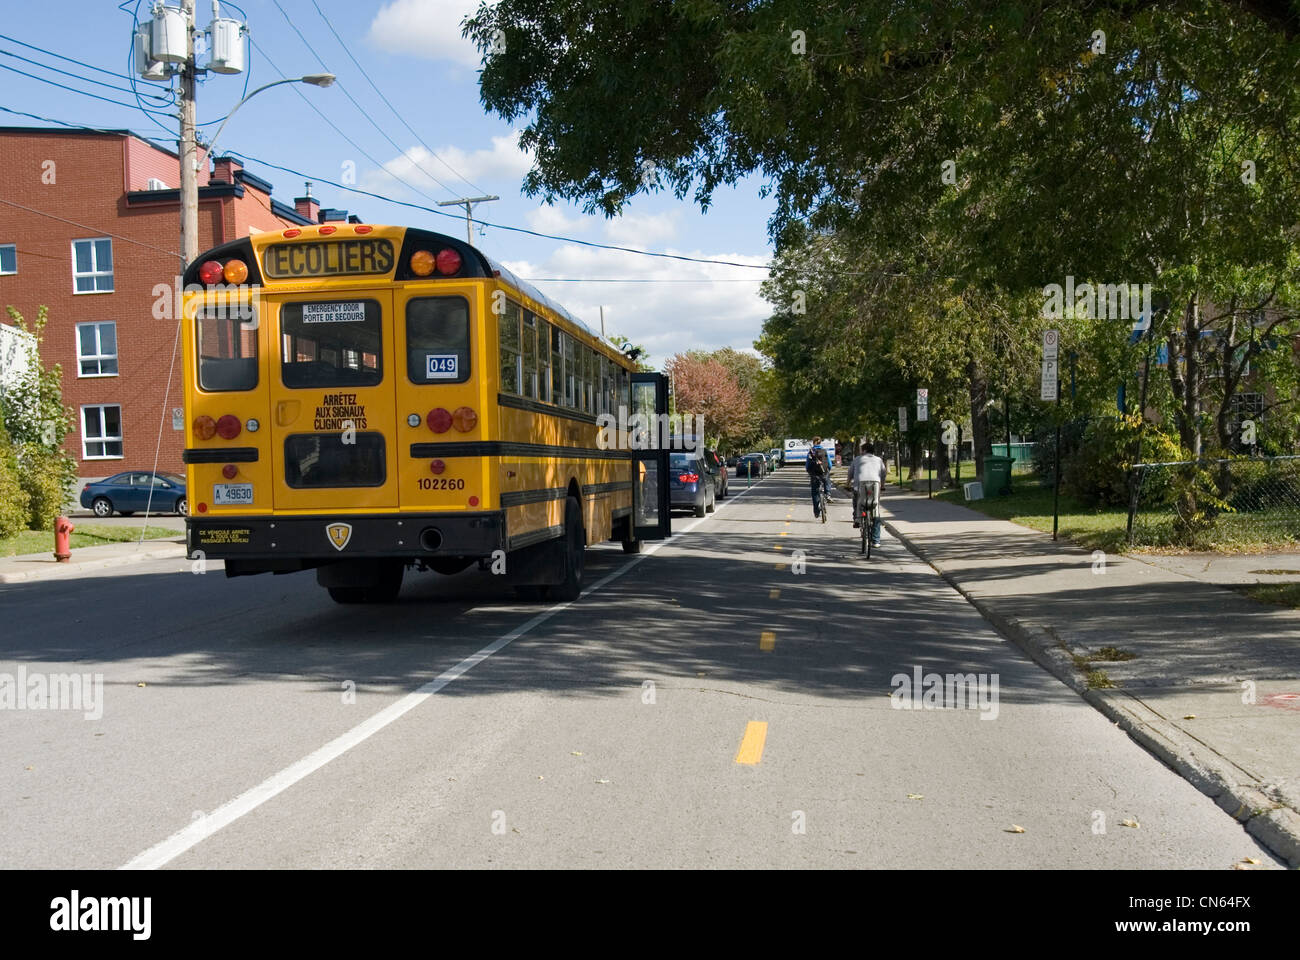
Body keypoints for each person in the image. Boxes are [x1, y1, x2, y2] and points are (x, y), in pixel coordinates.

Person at [850, 441, 887, 546]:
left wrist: (848, 484)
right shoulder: (879, 460)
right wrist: (883, 485)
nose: (861, 452)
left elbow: (850, 473)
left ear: (865, 450)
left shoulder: (857, 459)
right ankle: (876, 541)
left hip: (859, 487)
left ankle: (857, 519)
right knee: (875, 509)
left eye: (862, 450)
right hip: (875, 487)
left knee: (857, 501)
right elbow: (883, 474)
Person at [805, 436, 832, 518]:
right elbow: (829, 464)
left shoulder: (811, 452)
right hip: (823, 473)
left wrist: (809, 471)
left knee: (815, 493)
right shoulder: (824, 451)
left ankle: (817, 512)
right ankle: (828, 494)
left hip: (814, 475)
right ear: (820, 442)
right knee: (827, 480)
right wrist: (827, 470)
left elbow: (807, 465)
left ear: (813, 442)